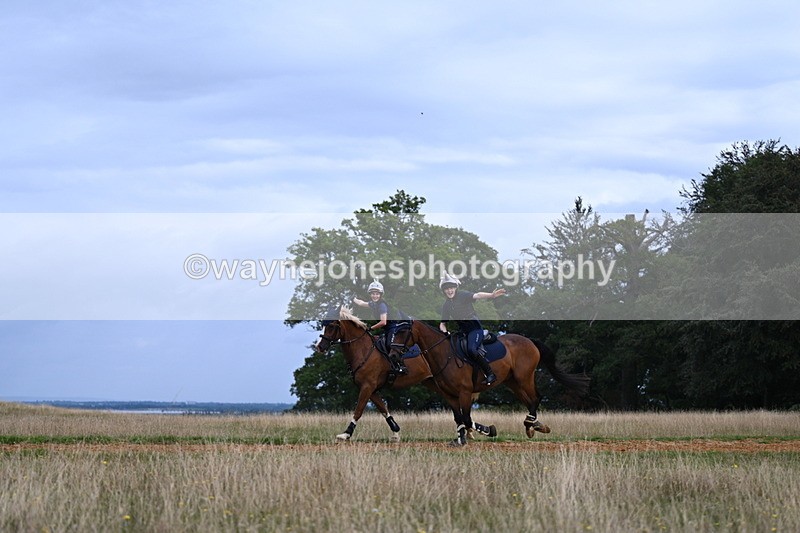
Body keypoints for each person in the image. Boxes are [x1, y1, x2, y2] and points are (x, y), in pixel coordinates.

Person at [438, 272, 505, 385]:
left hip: (475, 329)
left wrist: (491, 295)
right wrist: (445, 333)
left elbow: (477, 295)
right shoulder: (446, 305)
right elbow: (442, 323)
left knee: (471, 349)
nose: (449, 291)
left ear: (455, 288)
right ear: (444, 291)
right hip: (463, 332)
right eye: (447, 289)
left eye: (451, 288)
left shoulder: (463, 295)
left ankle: (490, 374)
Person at [353, 280, 411, 375]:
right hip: (387, 329)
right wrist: (354, 299)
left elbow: (383, 322)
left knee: (389, 345)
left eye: (377, 294)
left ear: (380, 295)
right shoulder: (373, 304)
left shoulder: (382, 306)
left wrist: (371, 328)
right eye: (372, 294)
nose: (374, 296)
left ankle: (401, 366)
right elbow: (362, 303)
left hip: (393, 327)